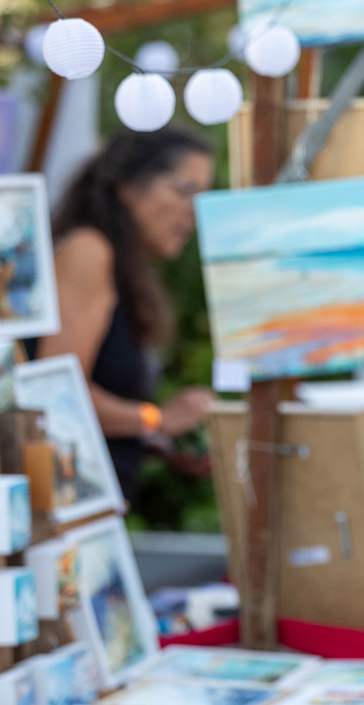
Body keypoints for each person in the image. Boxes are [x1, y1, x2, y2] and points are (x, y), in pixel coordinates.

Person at [30, 127, 216, 501]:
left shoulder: (124, 264)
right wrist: (158, 419)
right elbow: (56, 396)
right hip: (64, 516)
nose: (194, 212)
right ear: (129, 184)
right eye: (186, 190)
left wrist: (156, 439)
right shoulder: (88, 251)